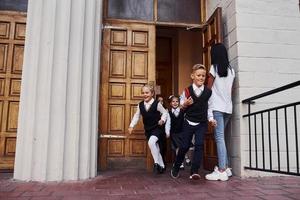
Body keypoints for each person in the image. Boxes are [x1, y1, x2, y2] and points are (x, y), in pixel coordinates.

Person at [170, 64, 216, 180]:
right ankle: (176, 166)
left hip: (201, 123)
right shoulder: (187, 91)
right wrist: (185, 104)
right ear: (192, 76)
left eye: (203, 76)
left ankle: (194, 171)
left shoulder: (208, 92)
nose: (201, 78)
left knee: (199, 145)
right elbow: (180, 106)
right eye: (198, 75)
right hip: (188, 122)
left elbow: (210, 107)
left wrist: (211, 119)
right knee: (184, 146)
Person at [205, 43, 235, 181]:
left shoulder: (214, 68)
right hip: (228, 108)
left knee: (219, 138)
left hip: (217, 108)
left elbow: (208, 89)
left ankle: (221, 170)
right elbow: (231, 91)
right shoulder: (232, 70)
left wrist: (202, 102)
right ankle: (227, 168)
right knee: (222, 138)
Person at [128, 84, 168, 174]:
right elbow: (136, 116)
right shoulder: (140, 105)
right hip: (148, 129)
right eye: (143, 93)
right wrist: (131, 126)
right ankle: (162, 166)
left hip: (157, 128)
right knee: (156, 147)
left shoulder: (157, 104)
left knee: (151, 142)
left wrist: (162, 120)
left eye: (147, 92)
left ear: (152, 93)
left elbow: (165, 112)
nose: (145, 94)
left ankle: (156, 163)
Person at [165, 95, 185, 169]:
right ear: (170, 103)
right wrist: (167, 132)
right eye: (173, 101)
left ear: (179, 103)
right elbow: (168, 123)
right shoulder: (169, 113)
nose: (175, 103)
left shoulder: (182, 112)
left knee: (182, 147)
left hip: (182, 132)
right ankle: (180, 163)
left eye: (177, 101)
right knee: (177, 147)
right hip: (174, 133)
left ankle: (181, 160)